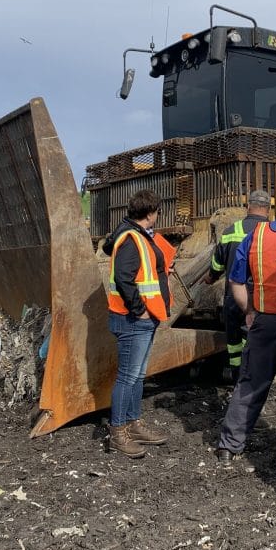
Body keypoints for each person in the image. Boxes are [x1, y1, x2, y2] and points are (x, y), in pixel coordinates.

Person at [215, 190, 276, 481]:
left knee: (250, 382)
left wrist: (250, 310)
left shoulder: (256, 235)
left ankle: (229, 446)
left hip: (263, 321)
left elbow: (235, 280)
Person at [103, 189, 175, 458]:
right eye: (157, 212)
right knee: (128, 376)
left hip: (142, 318)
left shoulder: (137, 235)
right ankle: (119, 431)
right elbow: (124, 277)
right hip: (133, 318)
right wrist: (140, 309)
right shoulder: (132, 239)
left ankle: (133, 423)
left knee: (137, 374)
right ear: (151, 213)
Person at [204, 190, 272, 380]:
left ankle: (237, 379)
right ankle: (255, 379)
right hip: (262, 299)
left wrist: (210, 277)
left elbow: (217, 264)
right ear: (268, 210)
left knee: (234, 344)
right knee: (257, 341)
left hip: (233, 297)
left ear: (248, 207)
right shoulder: (273, 231)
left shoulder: (230, 232)